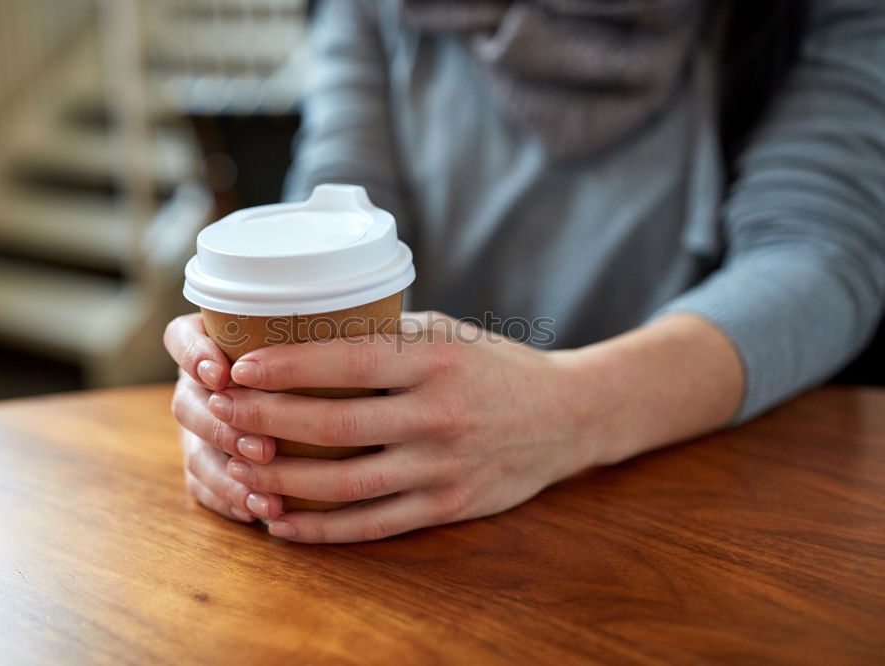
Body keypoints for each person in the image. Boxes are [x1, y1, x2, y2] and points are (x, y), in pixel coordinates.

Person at [164, 0, 885, 543]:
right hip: (408, 526)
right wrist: (244, 405)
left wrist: (577, 408)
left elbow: (818, 253)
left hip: (697, 508)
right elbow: (342, 202)